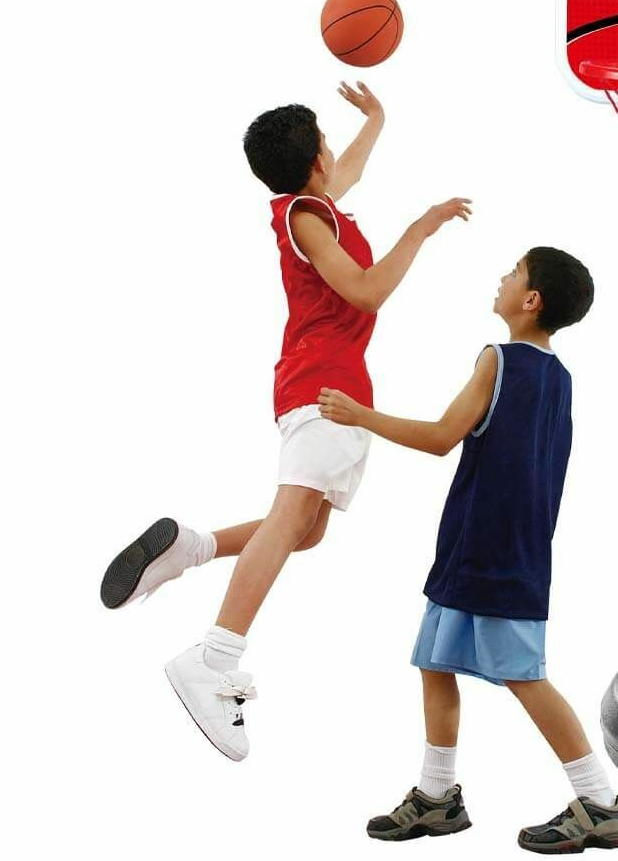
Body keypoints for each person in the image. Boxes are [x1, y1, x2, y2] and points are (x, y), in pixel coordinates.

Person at [99, 85, 471, 761]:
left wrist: (378, 118)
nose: (334, 152)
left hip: (330, 381)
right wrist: (420, 228)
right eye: (327, 141)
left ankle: (191, 548)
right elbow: (366, 290)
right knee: (293, 513)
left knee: (308, 530)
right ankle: (213, 658)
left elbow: (348, 171)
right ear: (313, 160)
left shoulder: (314, 203)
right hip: (323, 384)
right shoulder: (306, 217)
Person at [319, 247, 618, 854]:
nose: (502, 277)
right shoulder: (561, 377)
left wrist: (360, 415)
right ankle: (437, 794)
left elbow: (442, 437)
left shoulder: (499, 359)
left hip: (490, 549)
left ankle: (601, 802)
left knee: (524, 675)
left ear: (531, 300)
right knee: (434, 660)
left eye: (514, 273)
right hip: (497, 545)